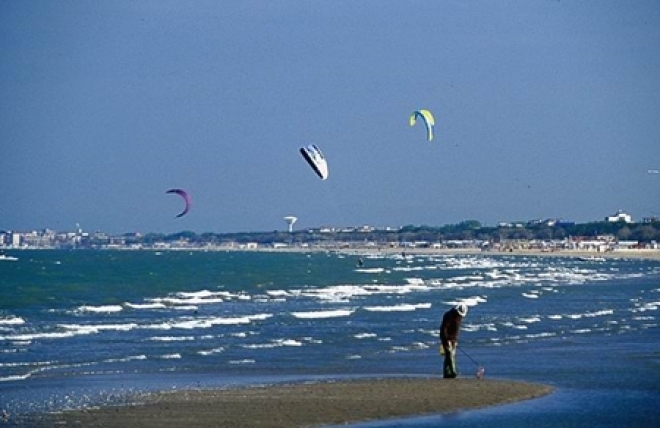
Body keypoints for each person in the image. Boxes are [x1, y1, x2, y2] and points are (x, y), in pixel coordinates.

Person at [439, 303, 468, 378]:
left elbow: (456, 330)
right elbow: (444, 328)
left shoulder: (459, 317)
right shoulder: (449, 315)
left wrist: (455, 341)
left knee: (450, 355)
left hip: (453, 339)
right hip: (446, 338)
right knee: (450, 354)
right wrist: (447, 339)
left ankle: (447, 373)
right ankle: (453, 372)